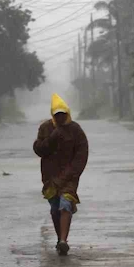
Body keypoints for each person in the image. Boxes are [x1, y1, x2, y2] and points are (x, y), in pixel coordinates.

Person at [33, 94, 89, 256]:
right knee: (54, 209)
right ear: (52, 115)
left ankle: (64, 240)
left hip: (69, 177)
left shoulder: (76, 130)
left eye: (62, 115)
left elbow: (81, 155)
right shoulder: (45, 129)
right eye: (56, 115)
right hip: (50, 177)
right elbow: (39, 150)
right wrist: (52, 137)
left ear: (67, 114)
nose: (60, 118)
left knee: (65, 204)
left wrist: (71, 173)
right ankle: (59, 239)